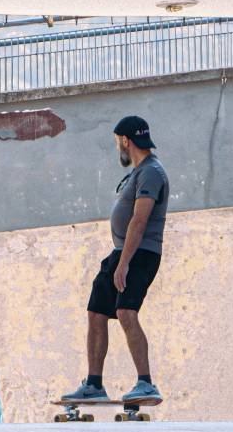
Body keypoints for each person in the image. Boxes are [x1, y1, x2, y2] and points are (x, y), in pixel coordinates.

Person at [62, 115, 169, 405]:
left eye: (117, 142)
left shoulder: (152, 172)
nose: (117, 147)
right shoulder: (138, 172)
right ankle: (94, 384)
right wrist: (119, 259)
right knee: (97, 312)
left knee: (125, 312)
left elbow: (139, 220)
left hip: (141, 253)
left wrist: (124, 264)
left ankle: (146, 384)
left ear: (125, 140)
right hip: (122, 252)